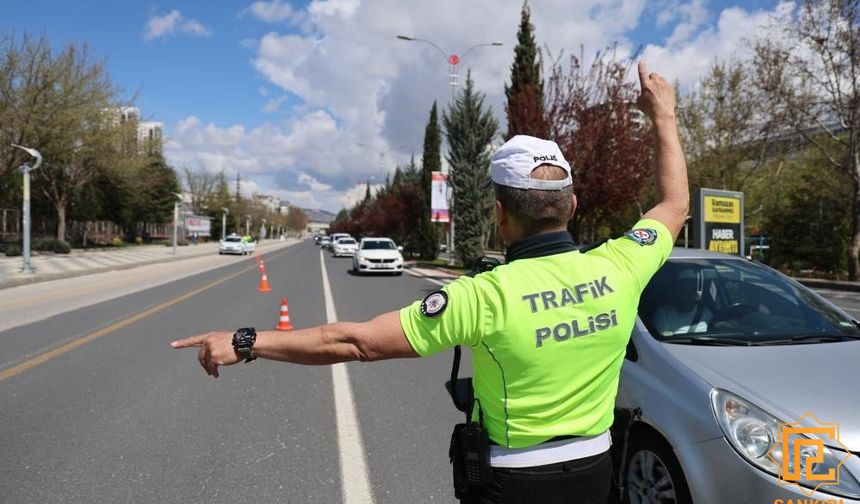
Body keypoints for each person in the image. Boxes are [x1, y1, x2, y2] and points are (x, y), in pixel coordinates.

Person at [171, 60, 688, 504]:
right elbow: (674, 204)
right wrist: (662, 113)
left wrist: (246, 342)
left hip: (511, 483)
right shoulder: (622, 265)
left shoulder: (483, 296)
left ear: (500, 213)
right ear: (572, 205)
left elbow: (355, 342)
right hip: (596, 473)